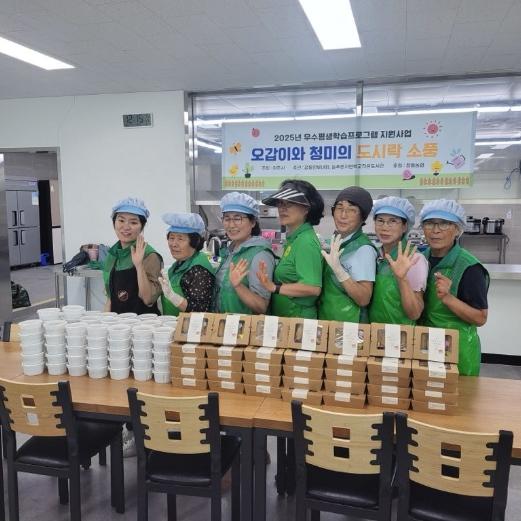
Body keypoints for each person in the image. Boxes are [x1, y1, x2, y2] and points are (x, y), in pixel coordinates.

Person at [419, 199, 489, 376]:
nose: (435, 230)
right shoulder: (420, 259)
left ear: (457, 229)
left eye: (444, 223)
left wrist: (448, 298)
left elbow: (480, 318)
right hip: (424, 345)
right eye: (429, 223)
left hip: (457, 352)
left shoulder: (469, 267)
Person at [259, 179, 324, 318]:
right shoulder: (295, 239)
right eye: (280, 203)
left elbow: (312, 288)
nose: (282, 209)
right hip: (288, 319)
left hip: (298, 320)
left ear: (306, 209)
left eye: (289, 203)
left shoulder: (306, 241)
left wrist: (274, 287)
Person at [319, 186, 377, 322]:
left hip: (350, 326)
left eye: (352, 210)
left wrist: (340, 271)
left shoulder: (363, 249)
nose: (343, 215)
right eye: (339, 208)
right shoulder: (341, 242)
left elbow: (364, 298)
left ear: (362, 217)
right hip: (330, 322)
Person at [368, 196, 428, 324]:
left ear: (405, 226)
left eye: (393, 221)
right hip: (374, 331)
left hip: (401, 334)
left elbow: (415, 313)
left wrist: (402, 278)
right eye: (380, 221)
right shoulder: (375, 254)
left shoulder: (414, 259)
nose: (385, 227)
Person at [215, 192, 275, 314]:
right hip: (223, 322)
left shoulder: (259, 255)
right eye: (227, 218)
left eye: (238, 218)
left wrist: (238, 286)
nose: (231, 225)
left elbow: (261, 306)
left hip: (244, 325)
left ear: (253, 222)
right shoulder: (230, 250)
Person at [103, 197, 162, 315]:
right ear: (114, 223)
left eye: (133, 222)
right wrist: (105, 321)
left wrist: (139, 266)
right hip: (118, 323)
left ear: (142, 227)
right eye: (121, 220)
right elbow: (110, 298)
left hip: (144, 323)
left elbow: (148, 299)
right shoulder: (113, 254)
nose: (126, 227)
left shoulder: (150, 255)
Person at [158, 213, 216, 316]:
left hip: (191, 325)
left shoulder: (199, 269)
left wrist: (173, 297)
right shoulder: (179, 264)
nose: (174, 244)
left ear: (194, 242)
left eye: (180, 239)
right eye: (171, 238)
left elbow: (199, 311)